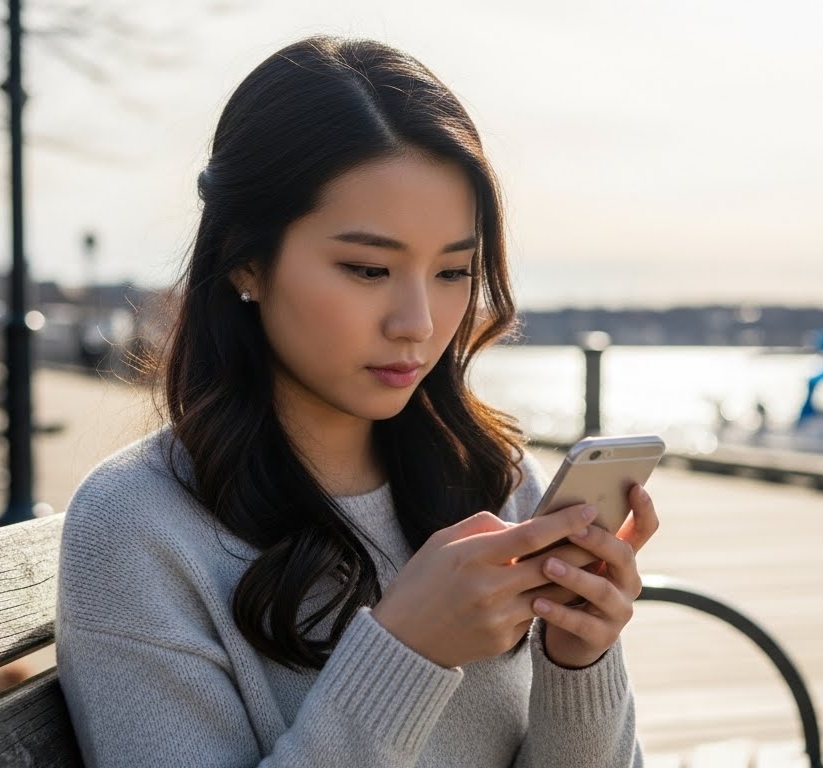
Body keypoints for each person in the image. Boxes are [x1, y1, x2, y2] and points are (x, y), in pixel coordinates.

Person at [55, 35, 657, 767]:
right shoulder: (138, 527)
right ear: (247, 259)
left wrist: (577, 662)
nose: (420, 323)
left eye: (453, 272)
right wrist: (404, 654)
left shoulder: (498, 483)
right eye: (369, 269)